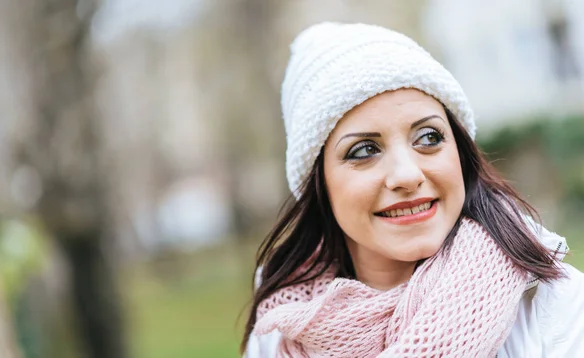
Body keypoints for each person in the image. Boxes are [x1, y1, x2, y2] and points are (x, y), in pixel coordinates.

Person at [241, 22, 584, 357]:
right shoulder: (279, 331)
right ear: (319, 184)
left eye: (429, 137)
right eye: (363, 150)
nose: (407, 175)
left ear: (459, 153)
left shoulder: (552, 306)